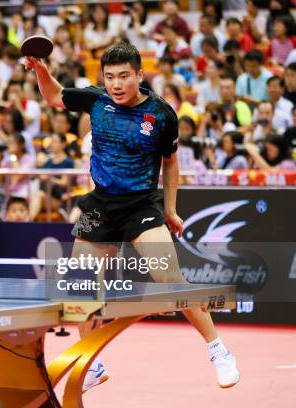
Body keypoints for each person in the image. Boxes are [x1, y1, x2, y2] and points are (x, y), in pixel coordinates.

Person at [25, 42, 240, 391]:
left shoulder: (162, 115)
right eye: (110, 77)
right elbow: (55, 96)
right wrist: (40, 69)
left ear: (140, 75)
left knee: (169, 279)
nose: (116, 84)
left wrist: (169, 209)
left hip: (141, 204)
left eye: (124, 76)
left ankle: (219, 350)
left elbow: (171, 164)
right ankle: (90, 365)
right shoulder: (96, 100)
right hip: (100, 205)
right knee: (81, 286)